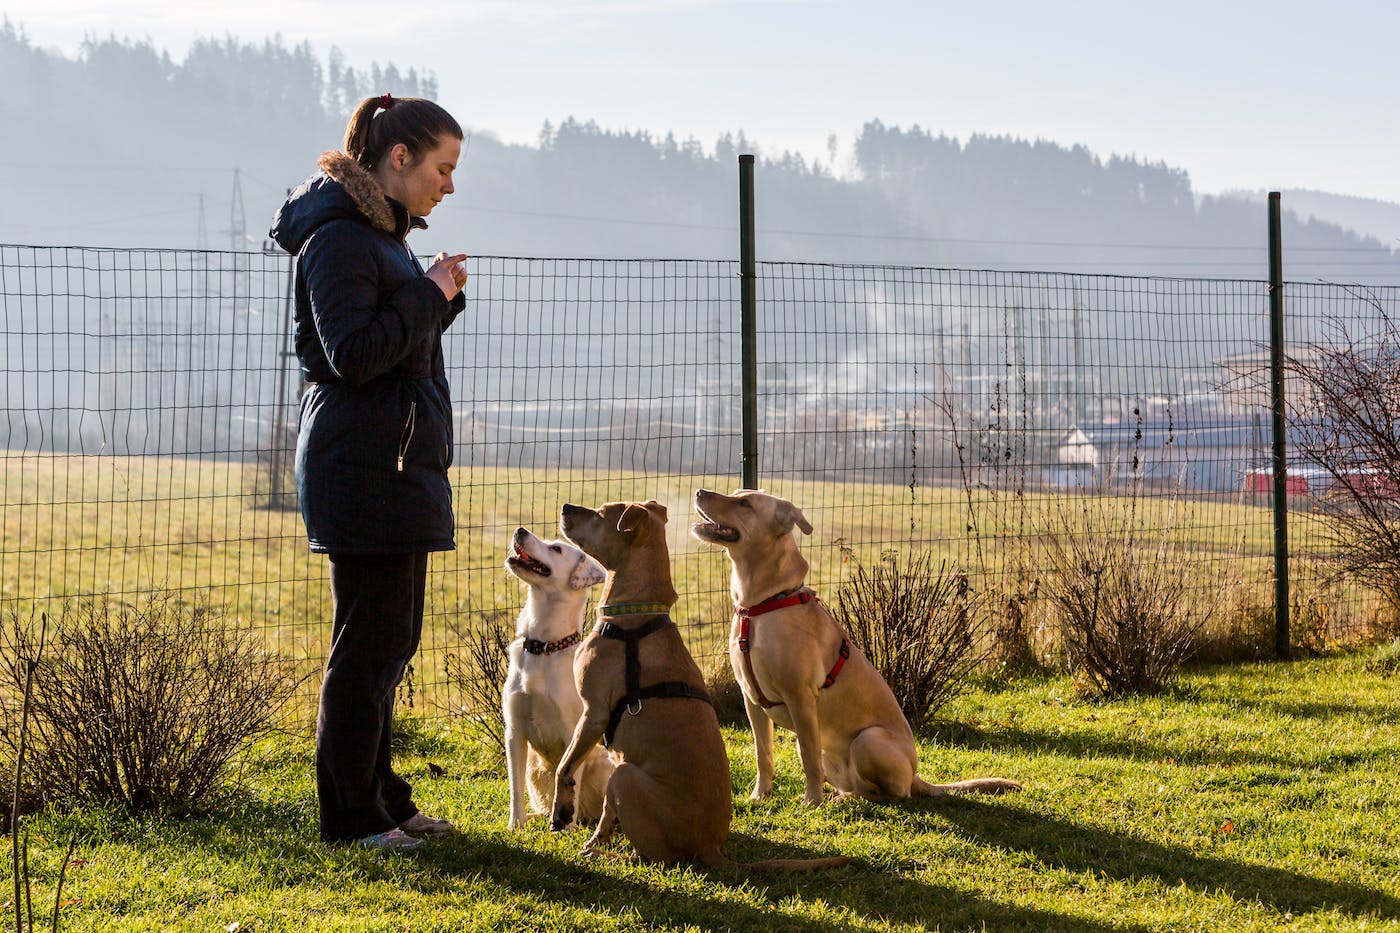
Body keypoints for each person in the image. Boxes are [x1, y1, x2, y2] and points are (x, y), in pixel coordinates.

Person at [269, 93, 467, 852]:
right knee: (366, 648)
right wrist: (429, 293)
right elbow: (352, 353)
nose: (447, 185)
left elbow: (392, 346)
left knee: (390, 642)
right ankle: (350, 819)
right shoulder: (339, 240)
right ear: (399, 159)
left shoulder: (384, 237)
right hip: (361, 469)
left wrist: (433, 299)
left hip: (393, 463)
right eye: (442, 168)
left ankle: (381, 798)